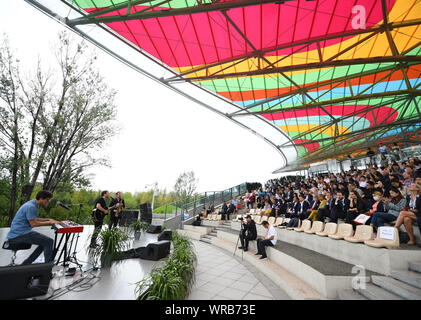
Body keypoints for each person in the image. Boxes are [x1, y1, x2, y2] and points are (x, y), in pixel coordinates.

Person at [6, 190, 59, 265]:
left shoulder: (33, 204)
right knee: (49, 242)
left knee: (45, 242)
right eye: (47, 199)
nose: (48, 201)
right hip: (18, 235)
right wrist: (50, 222)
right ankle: (48, 267)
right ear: (41, 198)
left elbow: (34, 218)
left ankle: (26, 264)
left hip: (20, 233)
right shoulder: (31, 206)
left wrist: (48, 219)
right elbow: (33, 224)